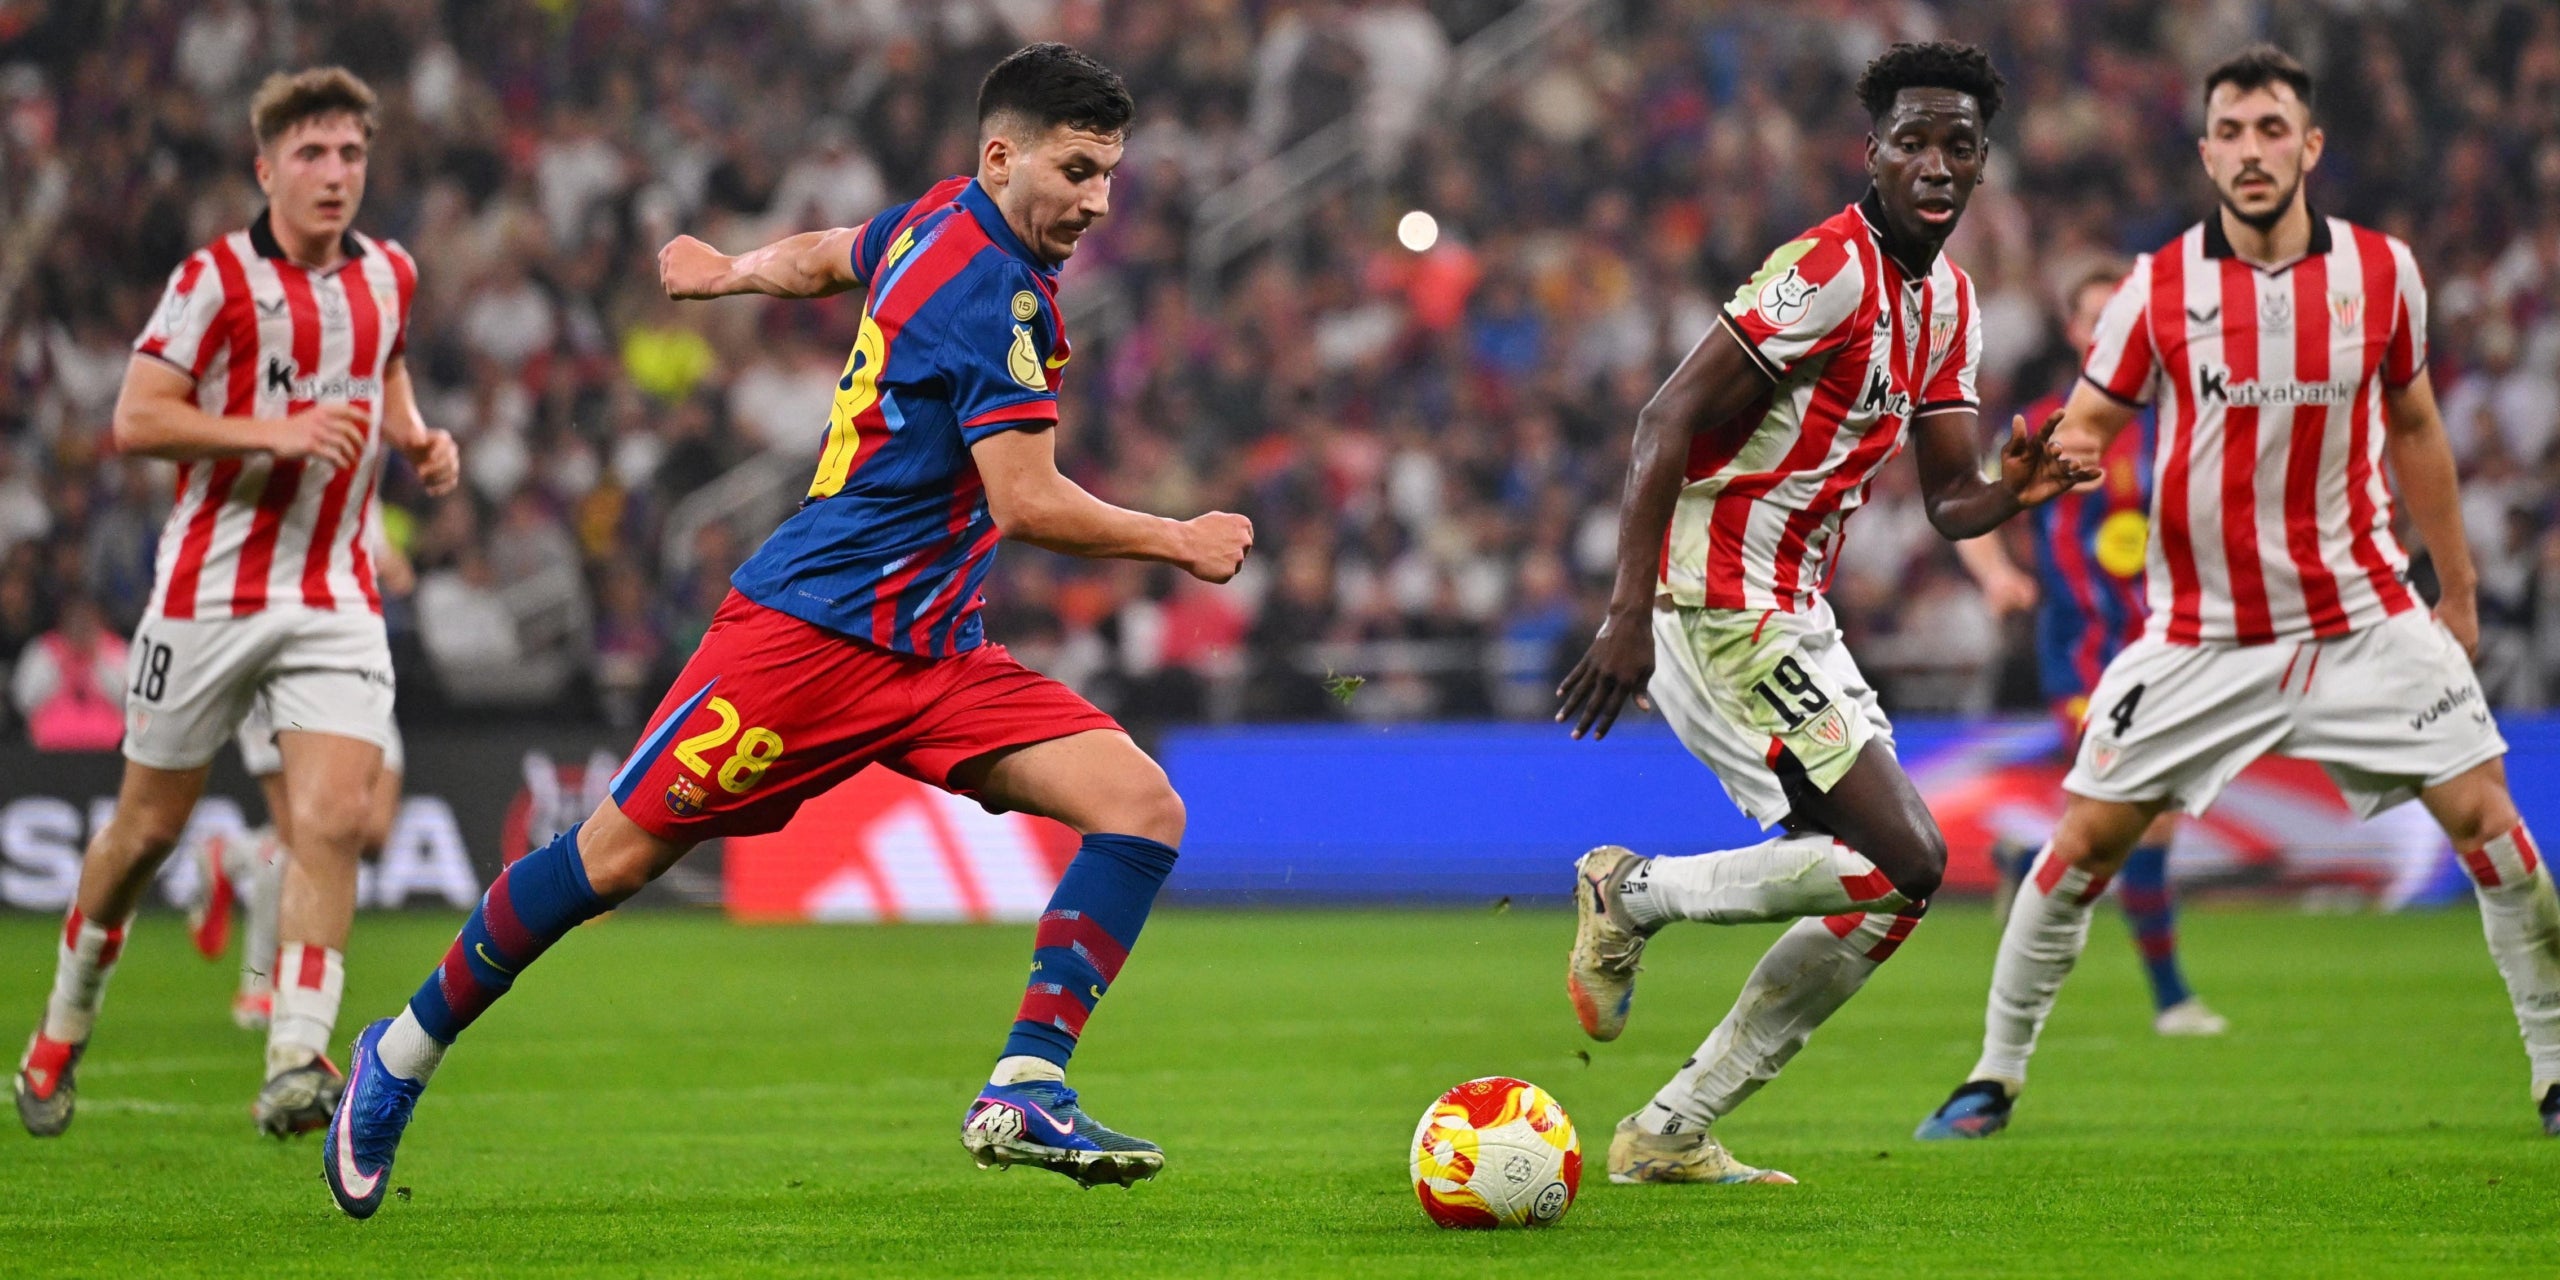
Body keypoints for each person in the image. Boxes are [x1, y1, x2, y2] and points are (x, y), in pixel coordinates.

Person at [322, 43, 1255, 1219]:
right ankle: (398, 1050)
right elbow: (1024, 499)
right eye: (1077, 170)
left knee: (1140, 805)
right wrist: (1177, 538)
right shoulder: (992, 292)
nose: (1098, 201)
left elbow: (830, 255)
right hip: (805, 641)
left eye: (1110, 175)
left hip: (936, 652)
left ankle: (1026, 1080)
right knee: (612, 858)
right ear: (1002, 154)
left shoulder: (938, 219)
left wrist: (726, 275)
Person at [1916, 46, 2558, 1141]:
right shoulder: (2157, 289)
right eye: (2231, 131)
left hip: (2361, 616)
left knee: (2491, 825)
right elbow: (2088, 426)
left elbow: (2415, 431)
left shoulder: (2379, 272)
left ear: (2307, 146)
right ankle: (1992, 1073)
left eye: (2272, 129)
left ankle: (2552, 1069)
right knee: (2082, 845)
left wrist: (2454, 592)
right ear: (2205, 150)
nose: (2252, 150)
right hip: (2202, 633)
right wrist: (2039, 467)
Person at [1552, 42, 2094, 1186]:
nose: (1934, 163)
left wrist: (2013, 488)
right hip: (1715, 595)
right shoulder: (1825, 270)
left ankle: (1670, 1127)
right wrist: (1625, 611)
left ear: (1981, 164)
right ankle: (1628, 890)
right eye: (1912, 141)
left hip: (1795, 608)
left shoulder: (1947, 301)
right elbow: (1662, 421)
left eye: (1958, 145)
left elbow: (1948, 497)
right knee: (1903, 853)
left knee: (1890, 889)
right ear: (1873, 153)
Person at [12, 67, 460, 1140]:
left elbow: (385, 369)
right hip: (209, 590)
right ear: (266, 169)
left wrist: (414, 436)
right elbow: (137, 415)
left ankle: (297, 1055)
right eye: (311, 154)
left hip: (338, 591)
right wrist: (275, 433)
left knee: (336, 818)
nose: (334, 174)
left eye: (350, 154)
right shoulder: (214, 280)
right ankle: (63, 1021)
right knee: (144, 830)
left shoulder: (390, 273)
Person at [1954, 265, 2226, 1038]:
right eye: (2093, 320)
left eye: (2121, 319)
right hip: (2081, 647)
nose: (2108, 332)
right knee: (2151, 811)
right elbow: (1967, 499)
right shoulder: (2048, 422)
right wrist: (1998, 574)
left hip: (2170, 641)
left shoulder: (2177, 422)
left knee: (2134, 813)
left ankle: (2028, 859)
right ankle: (2172, 999)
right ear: (2075, 334)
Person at [190, 529, 417, 1033]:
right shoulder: (269, 481)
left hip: (355, 664)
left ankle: (229, 855)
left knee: (373, 830)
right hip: (276, 662)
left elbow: (398, 574)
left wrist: (387, 566)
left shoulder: (357, 487)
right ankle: (260, 987)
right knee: (298, 839)